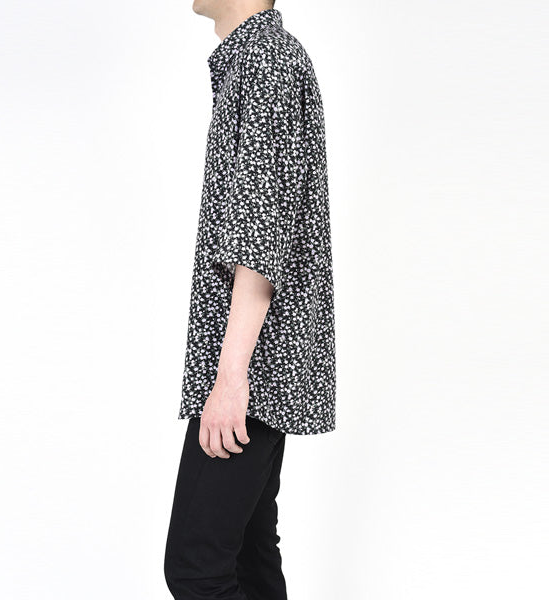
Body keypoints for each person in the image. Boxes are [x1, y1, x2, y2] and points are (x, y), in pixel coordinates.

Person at [164, 2, 336, 598]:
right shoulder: (262, 59)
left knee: (198, 568)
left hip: (253, 370)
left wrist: (230, 379)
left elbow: (259, 244)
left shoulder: (265, 62)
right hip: (261, 365)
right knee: (247, 559)